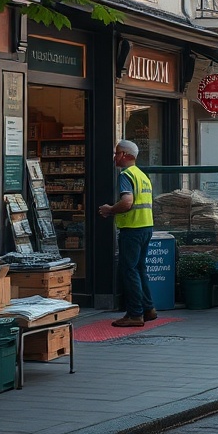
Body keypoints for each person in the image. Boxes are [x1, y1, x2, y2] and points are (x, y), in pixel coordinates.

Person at [98, 139, 156, 327]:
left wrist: (110, 209)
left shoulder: (126, 175)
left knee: (129, 270)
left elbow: (127, 202)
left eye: (117, 153)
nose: (115, 157)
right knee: (140, 269)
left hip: (132, 229)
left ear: (125, 155)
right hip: (146, 227)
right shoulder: (142, 175)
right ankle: (148, 308)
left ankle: (135, 314)